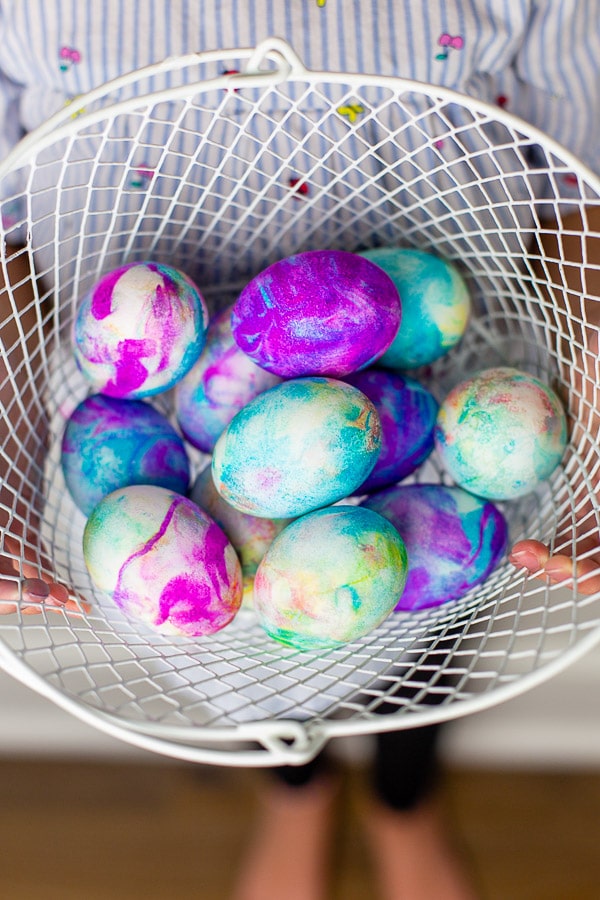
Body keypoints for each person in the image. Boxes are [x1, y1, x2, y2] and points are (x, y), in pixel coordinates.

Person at [0, 4, 598, 899]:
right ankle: (299, 789)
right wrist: (6, 463)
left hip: (440, 397)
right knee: (234, 627)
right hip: (148, 415)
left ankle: (405, 798)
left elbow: (573, 193)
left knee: (429, 593)